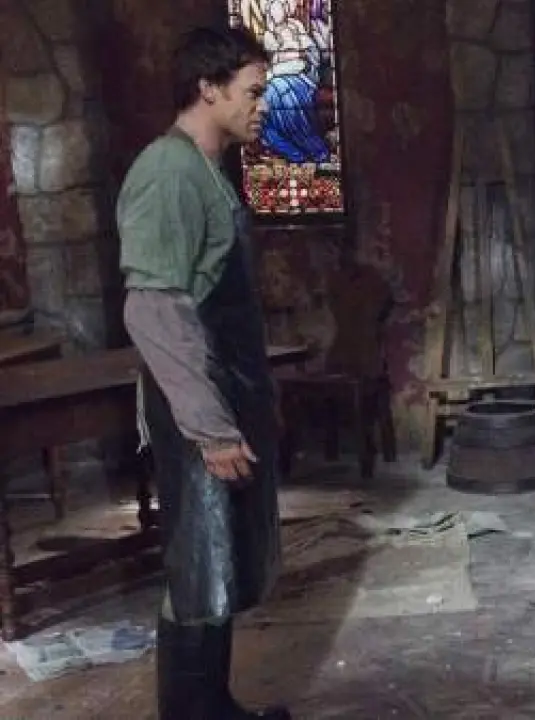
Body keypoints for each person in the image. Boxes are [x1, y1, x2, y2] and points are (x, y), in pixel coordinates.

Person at [117, 26, 289, 719]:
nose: (262, 105)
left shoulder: (207, 170)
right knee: (198, 568)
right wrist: (210, 428)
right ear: (208, 88)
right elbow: (154, 310)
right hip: (196, 408)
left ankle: (214, 706)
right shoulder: (168, 172)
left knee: (219, 569)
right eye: (253, 91)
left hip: (225, 394)